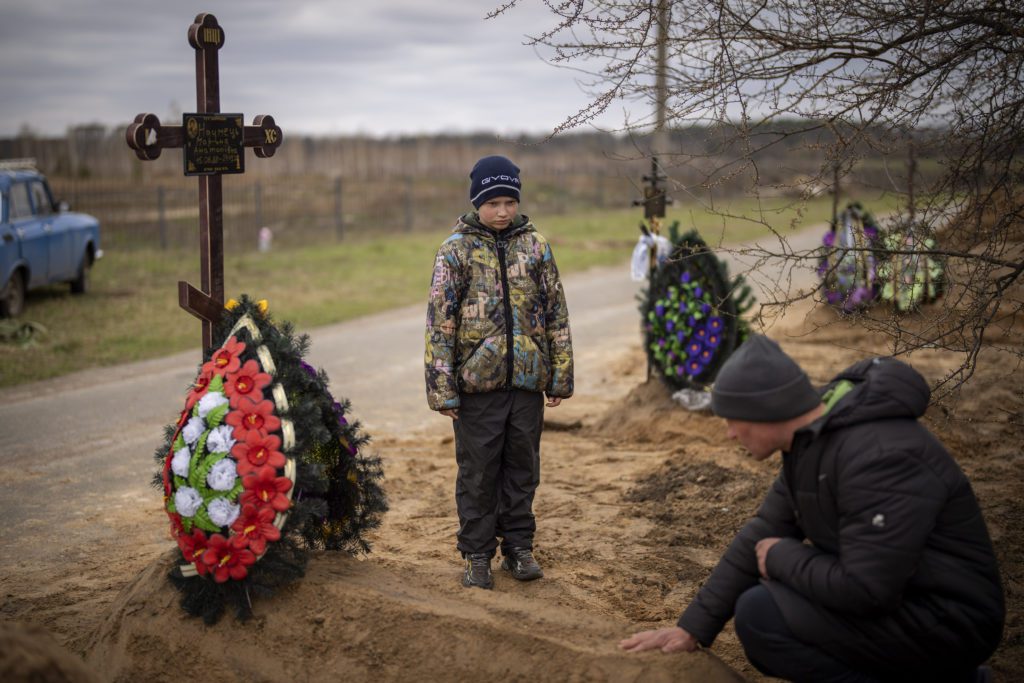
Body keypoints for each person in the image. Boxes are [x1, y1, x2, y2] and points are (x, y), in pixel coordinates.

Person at [620, 334, 1005, 682]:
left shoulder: (878, 455)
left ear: (766, 409)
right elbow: (762, 530)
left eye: (733, 420)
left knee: (763, 615)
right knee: (762, 608)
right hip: (904, 601)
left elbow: (868, 590)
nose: (730, 433)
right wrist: (692, 629)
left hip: (949, 621)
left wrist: (782, 557)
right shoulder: (812, 443)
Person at [425, 155, 574, 590]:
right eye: (493, 203)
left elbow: (556, 314)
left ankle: (518, 548)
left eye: (510, 201)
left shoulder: (537, 247)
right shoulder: (455, 251)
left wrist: (559, 374)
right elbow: (440, 323)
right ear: (477, 203)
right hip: (477, 389)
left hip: (527, 383)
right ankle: (476, 554)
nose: (503, 211)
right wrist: (443, 388)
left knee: (523, 468)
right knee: (478, 472)